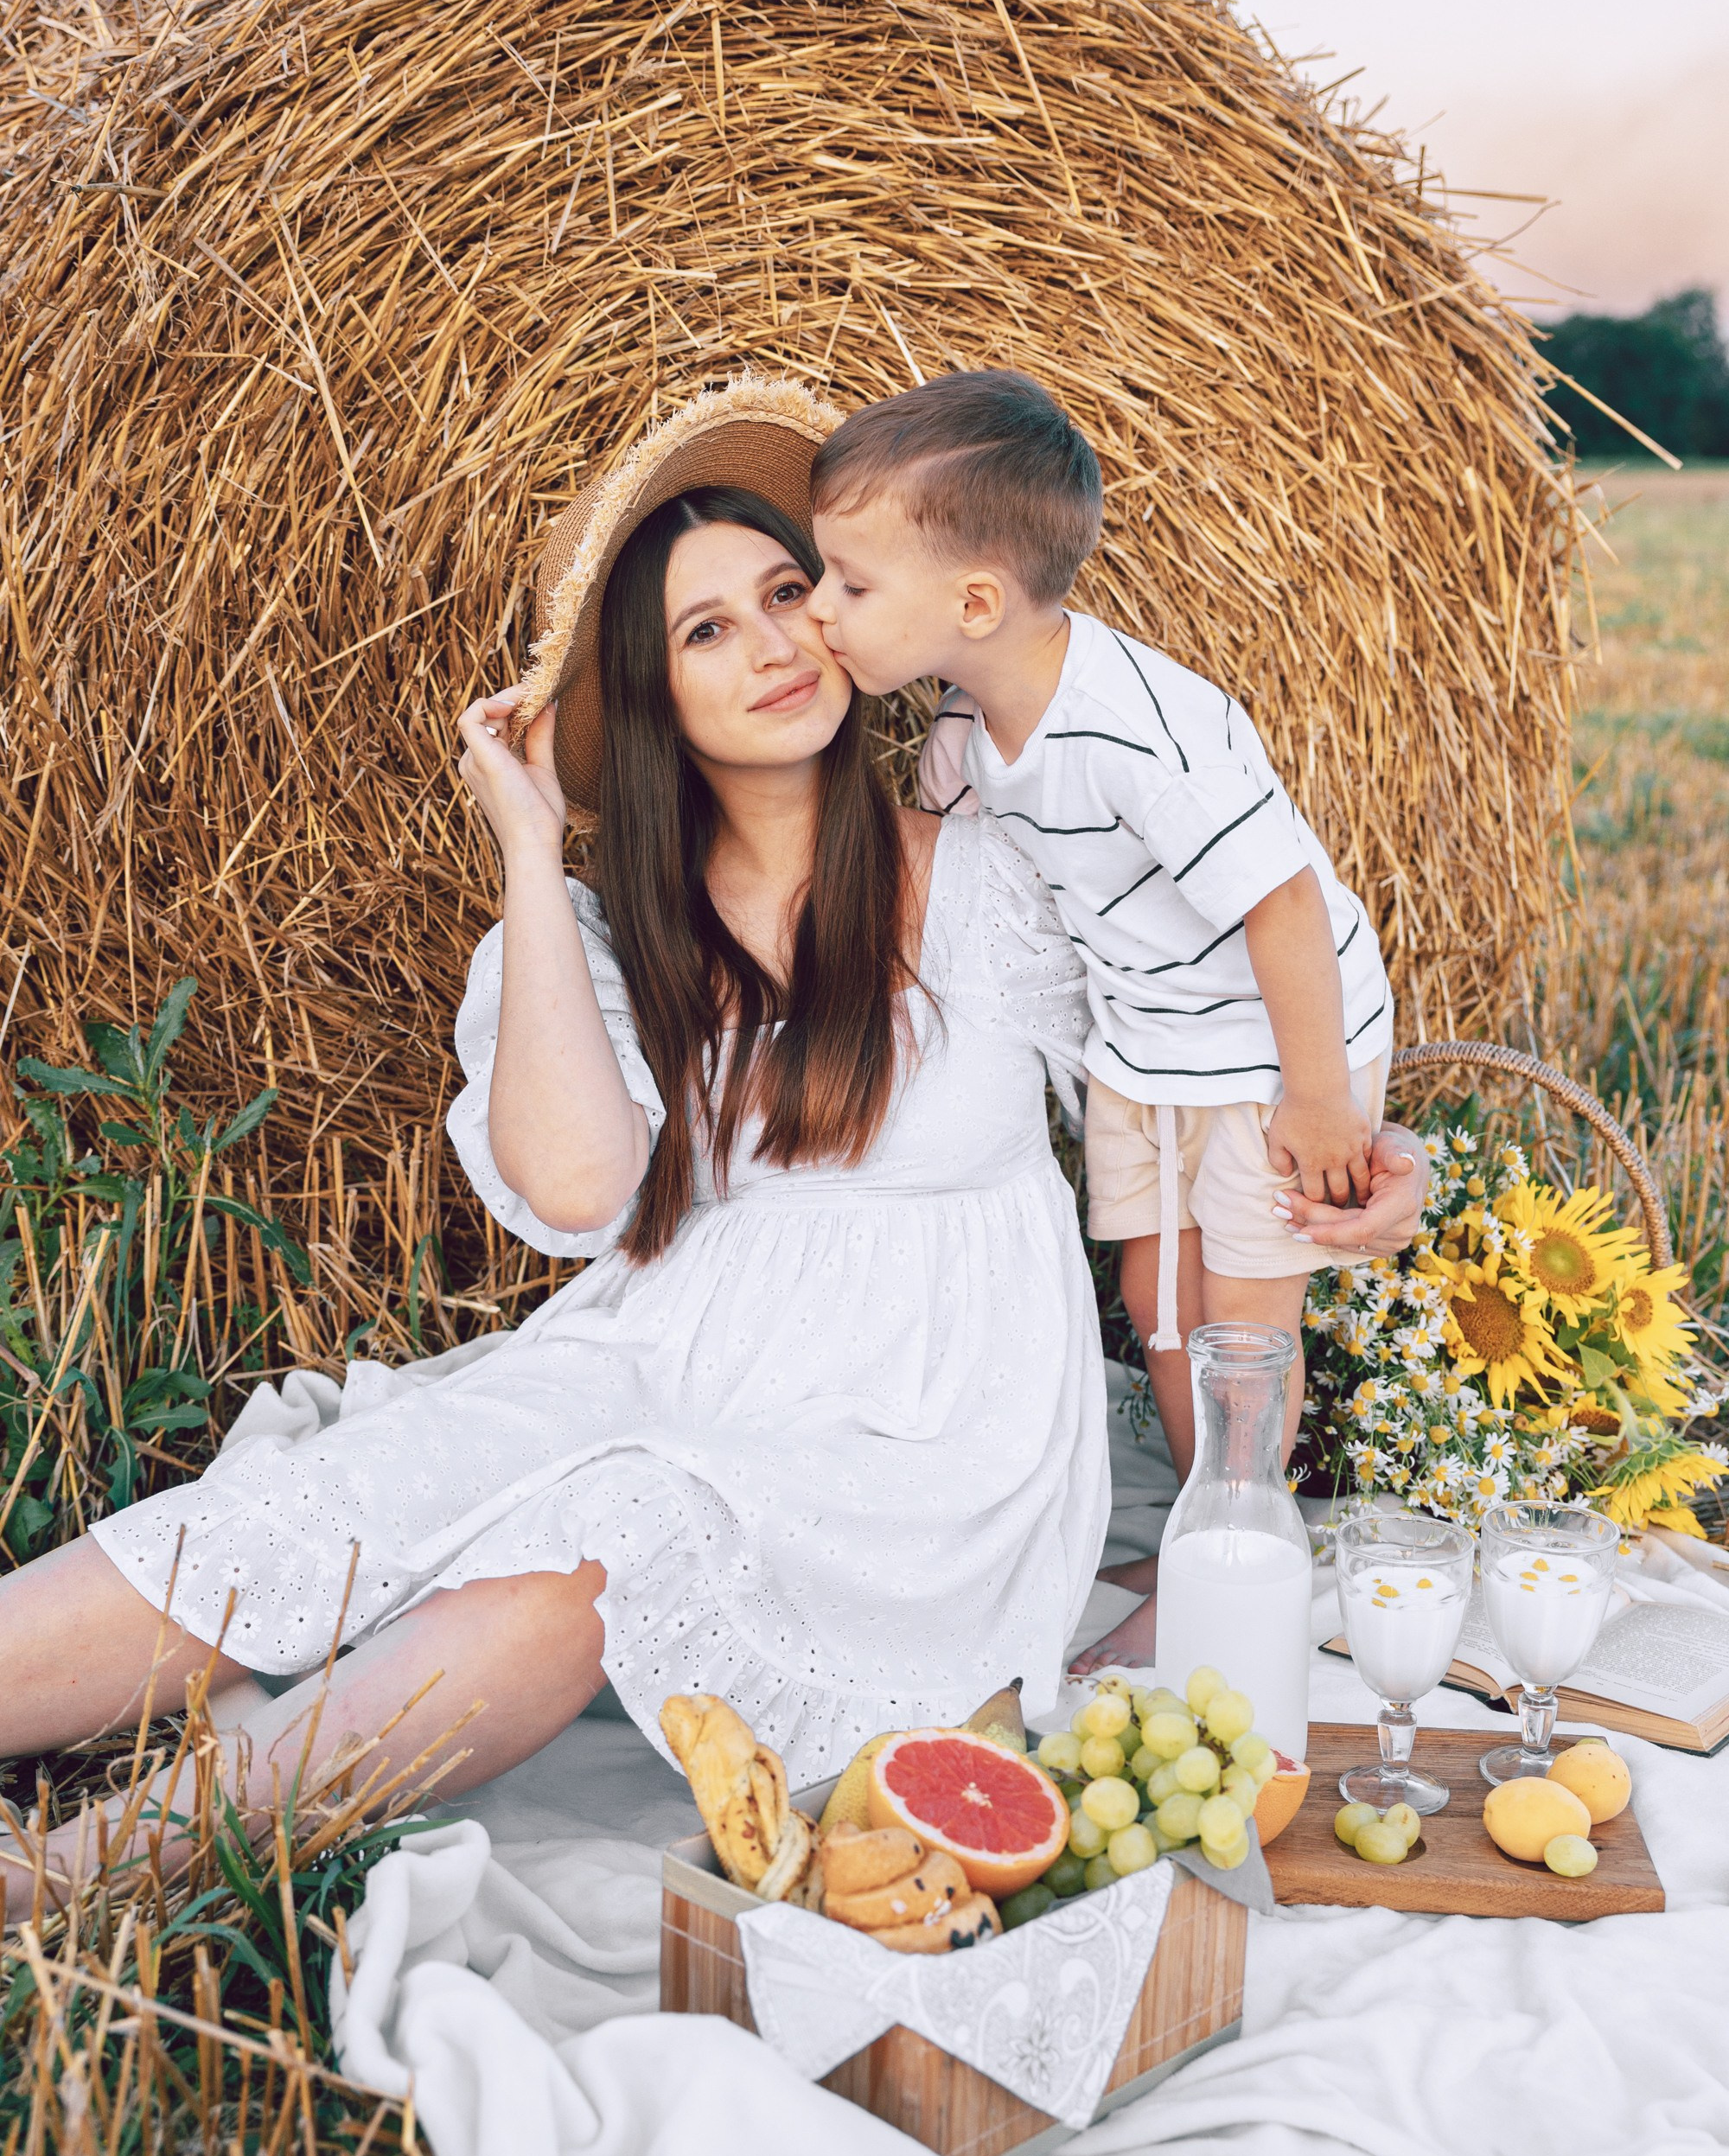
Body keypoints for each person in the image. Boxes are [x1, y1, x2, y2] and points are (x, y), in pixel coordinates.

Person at [0, 380, 1107, 1920]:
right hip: (665, 1353)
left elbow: (1183, 1117)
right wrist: (530, 848)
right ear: (652, 696)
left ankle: (61, 1882)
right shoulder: (601, 941)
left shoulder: (998, 874)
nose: (774, 642)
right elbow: (584, 1191)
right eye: (707, 630)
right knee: (354, 1488)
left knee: (617, 1528)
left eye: (789, 592)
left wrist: (1229, 1461)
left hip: (925, 1434)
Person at [805, 368, 1430, 1668]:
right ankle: (1213, 1525)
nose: (820, 609)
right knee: (1157, 1299)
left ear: (975, 604)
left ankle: (1236, 1569)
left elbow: (1283, 904)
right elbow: (932, 869)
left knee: (1241, 1323)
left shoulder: (1139, 730)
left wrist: (1318, 1098)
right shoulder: (967, 728)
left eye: (849, 585)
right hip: (1145, 1042)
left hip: (1267, 1046)